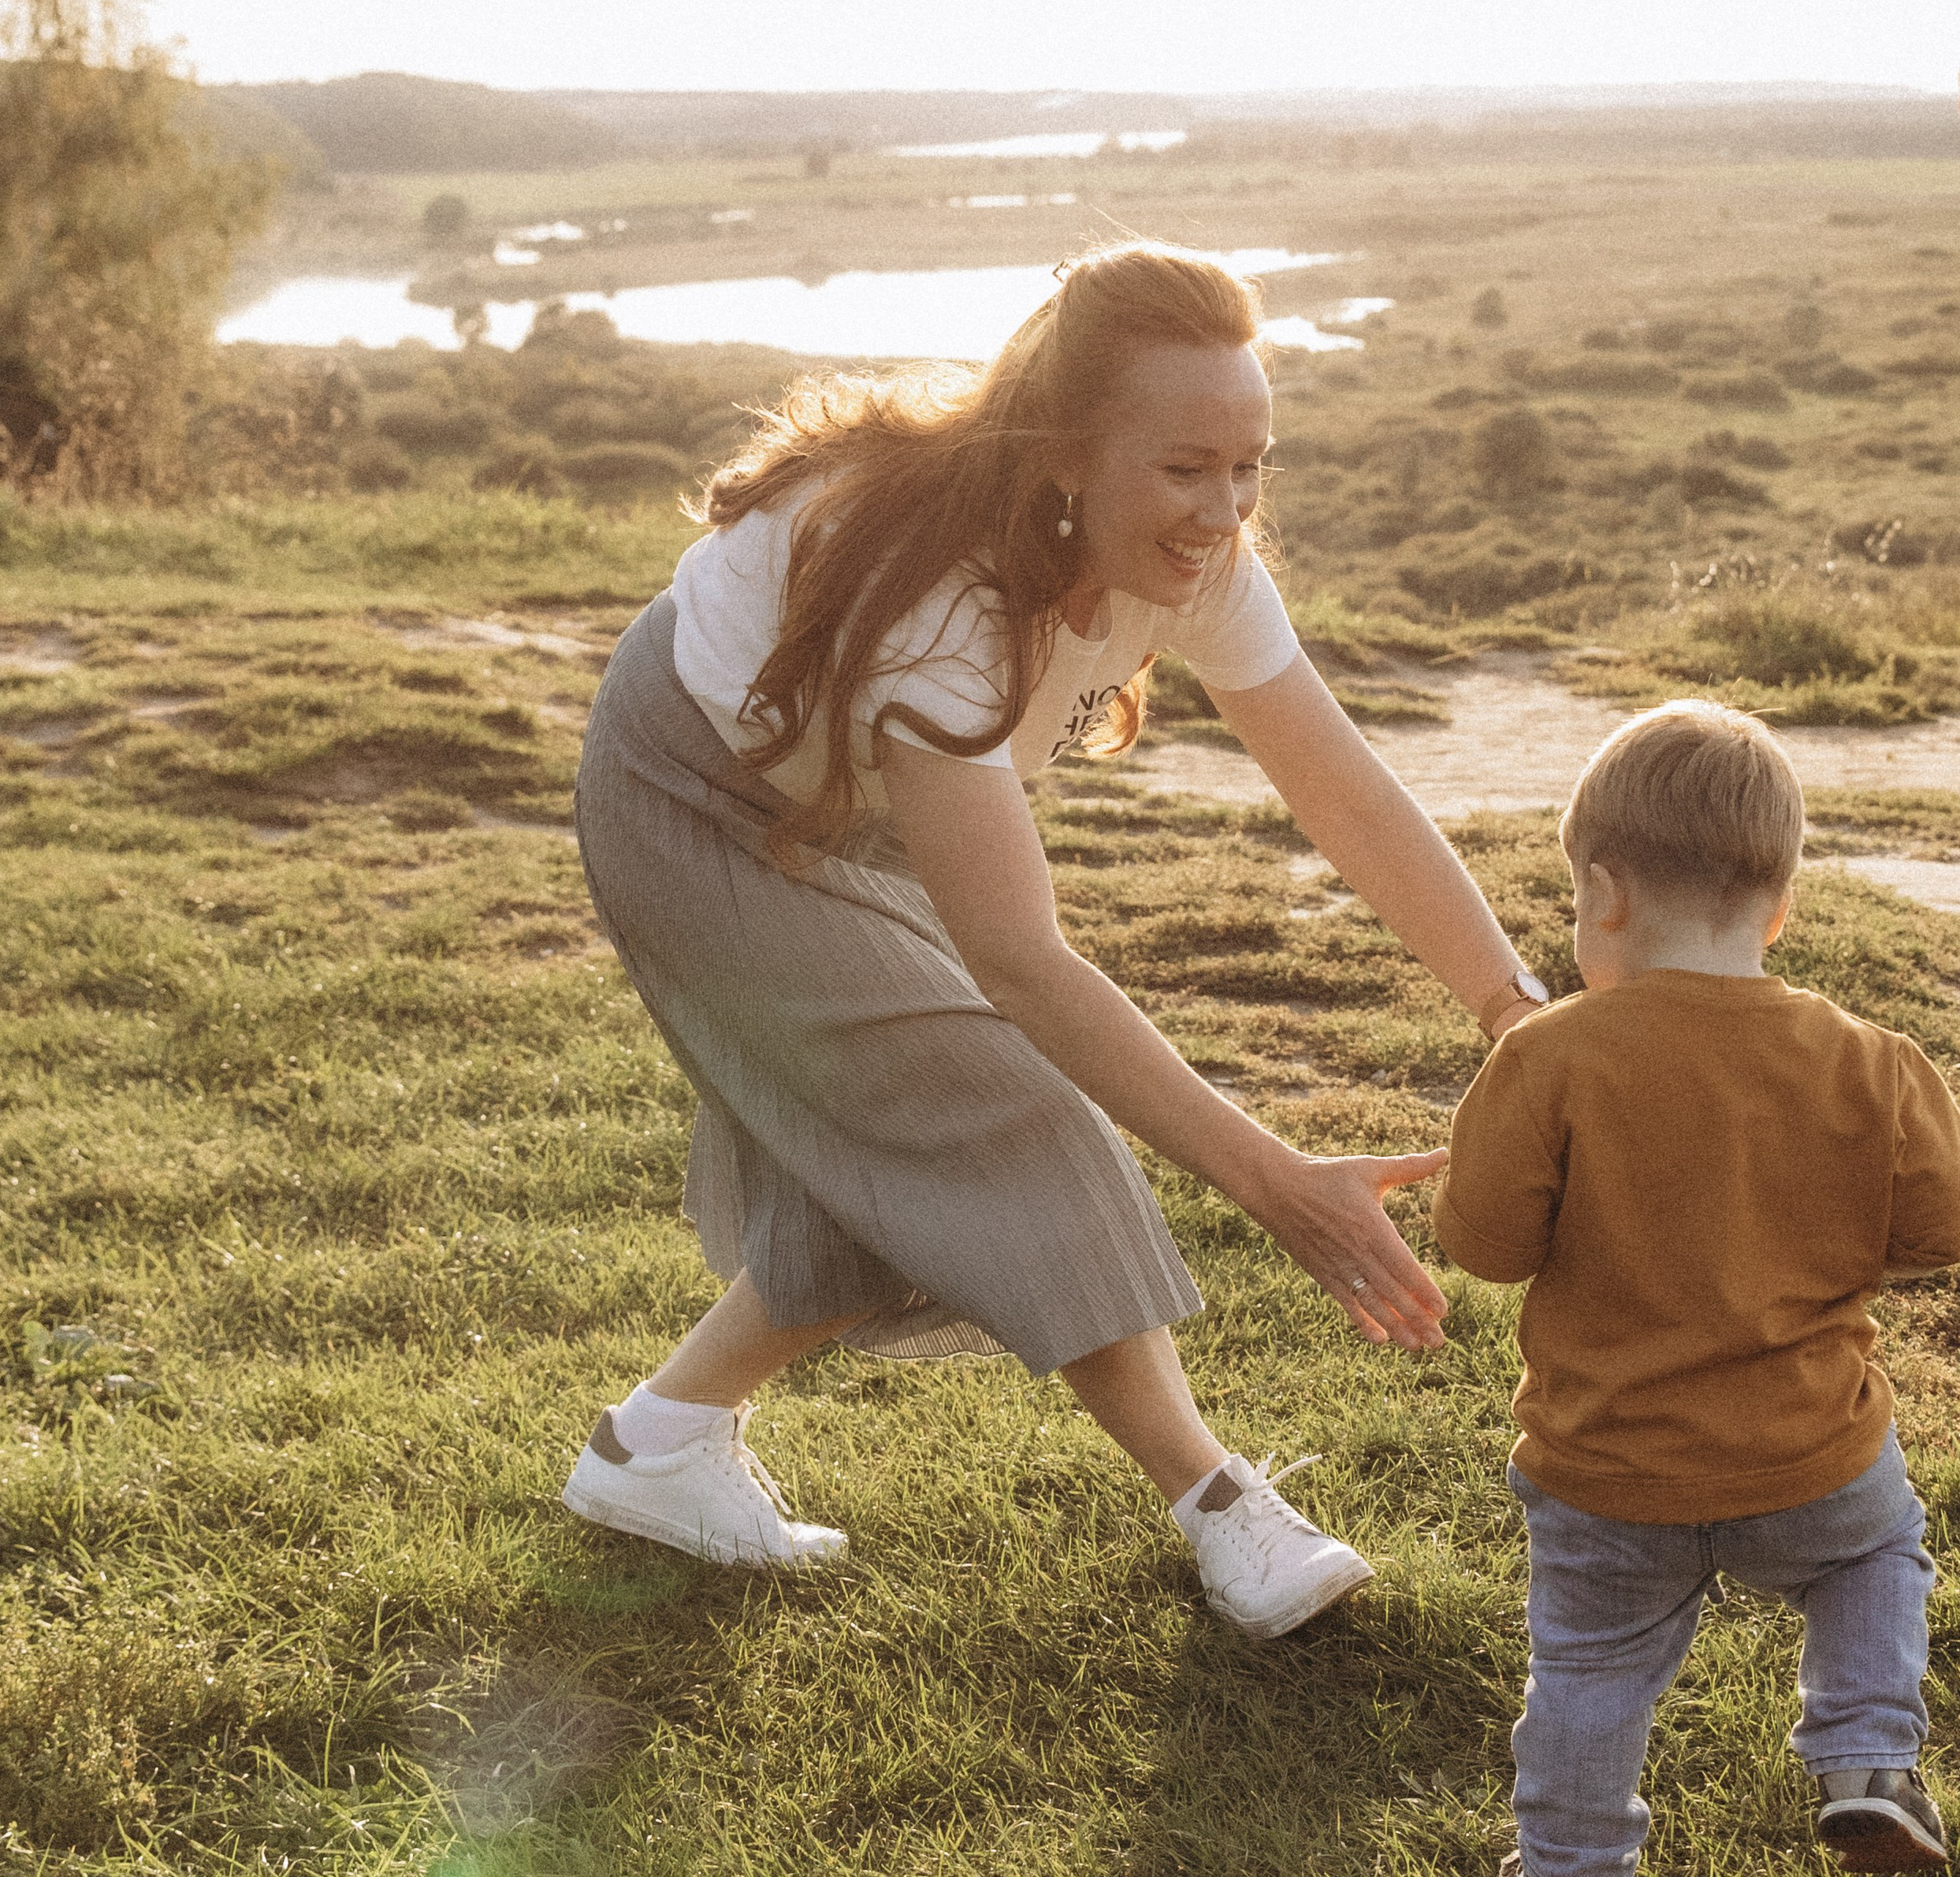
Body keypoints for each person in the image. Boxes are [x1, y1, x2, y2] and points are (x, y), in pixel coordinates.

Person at [565, 243, 1547, 1636]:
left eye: (1251, 464)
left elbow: (1342, 789)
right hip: (693, 797)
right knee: (1000, 1107)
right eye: (1187, 466)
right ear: (1069, 458)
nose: (1226, 508)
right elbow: (1024, 964)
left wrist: (1519, 1008)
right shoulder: (943, 603)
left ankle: (656, 1448)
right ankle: (1220, 1507)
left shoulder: (1191, 558)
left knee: (895, 1148)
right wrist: (1276, 1181)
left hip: (848, 796)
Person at [1433, 700, 1960, 1877]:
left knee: (1591, 1673)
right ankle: (1865, 1755)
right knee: (1874, 1559)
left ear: (1604, 895)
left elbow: (1486, 1249)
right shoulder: (1871, 1061)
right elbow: (1941, 1227)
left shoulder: (1550, 1055)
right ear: (1777, 908)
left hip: (1612, 1469)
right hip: (1811, 1454)